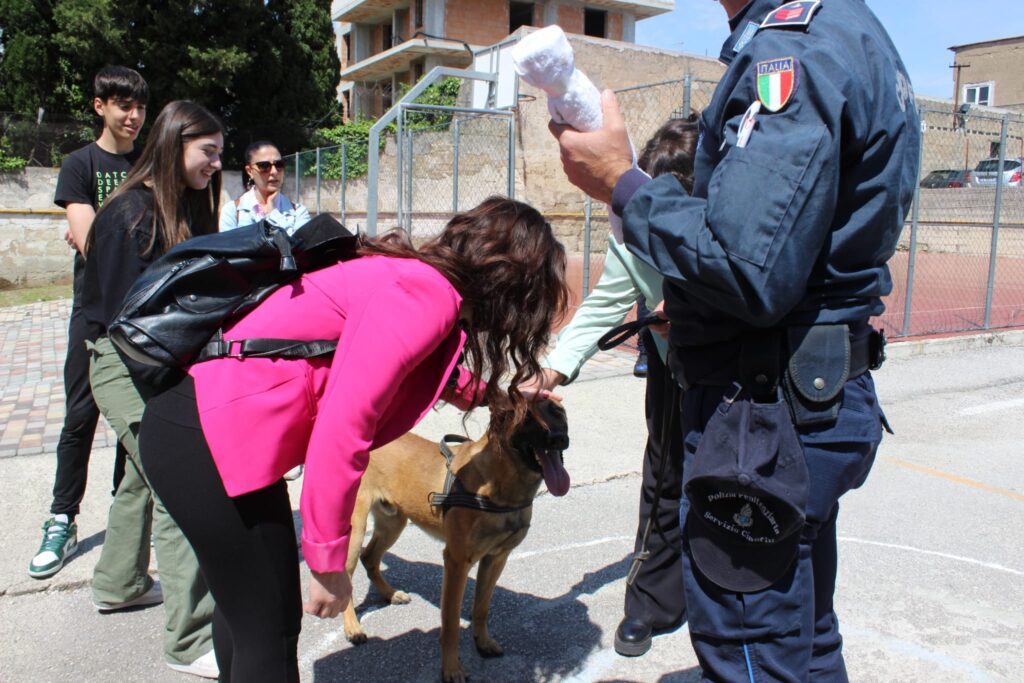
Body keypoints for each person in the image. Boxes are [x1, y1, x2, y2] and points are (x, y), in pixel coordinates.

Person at [550, 0, 920, 680]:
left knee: (750, 648)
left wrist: (624, 184)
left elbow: (748, 267)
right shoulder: (848, 31)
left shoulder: (793, 50)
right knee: (806, 640)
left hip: (763, 417)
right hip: (804, 395)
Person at [138, 196, 569, 681]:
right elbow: (345, 425)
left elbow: (425, 369)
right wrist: (327, 559)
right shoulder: (425, 297)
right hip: (205, 439)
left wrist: (500, 398)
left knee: (248, 615)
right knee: (269, 629)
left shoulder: (420, 282)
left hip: (205, 431)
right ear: (510, 283)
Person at [528, 116, 699, 657]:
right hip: (672, 367)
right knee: (664, 478)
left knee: (729, 481)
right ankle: (652, 600)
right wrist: (550, 370)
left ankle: (722, 592)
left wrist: (694, 312)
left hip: (734, 367)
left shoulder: (732, 218)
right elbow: (605, 302)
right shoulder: (632, 221)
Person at [82, 100, 223, 678]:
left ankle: (118, 584)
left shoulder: (181, 206)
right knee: (175, 479)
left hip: (152, 358)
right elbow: (125, 320)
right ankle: (189, 641)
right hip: (123, 362)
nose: (217, 163)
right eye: (208, 151)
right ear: (175, 144)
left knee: (142, 475)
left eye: (220, 153)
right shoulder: (129, 212)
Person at [30, 66, 147, 580]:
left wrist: (104, 232)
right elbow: (88, 243)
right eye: (124, 105)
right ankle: (62, 518)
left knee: (134, 422)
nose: (134, 116)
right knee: (81, 416)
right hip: (94, 312)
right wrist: (103, 235)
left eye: (140, 107)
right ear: (100, 106)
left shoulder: (149, 163)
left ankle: (128, 519)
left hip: (143, 313)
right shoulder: (80, 164)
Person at [218, 140, 310, 234]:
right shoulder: (232, 211)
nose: (274, 171)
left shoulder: (299, 212)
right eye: (264, 166)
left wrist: (273, 213)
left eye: (279, 164)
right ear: (250, 171)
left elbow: (296, 242)